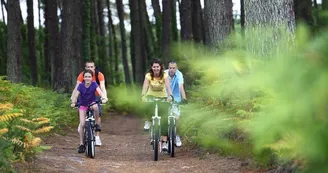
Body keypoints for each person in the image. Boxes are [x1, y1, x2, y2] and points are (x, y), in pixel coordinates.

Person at [71, 61, 108, 146]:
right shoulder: (82, 75)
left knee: (97, 112)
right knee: (82, 109)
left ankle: (97, 136)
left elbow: (102, 87)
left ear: (94, 67)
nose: (90, 68)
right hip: (84, 97)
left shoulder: (99, 75)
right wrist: (73, 99)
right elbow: (77, 87)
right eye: (88, 67)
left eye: (92, 67)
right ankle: (82, 124)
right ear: (85, 68)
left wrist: (104, 97)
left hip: (96, 96)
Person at [141, 58, 173, 151]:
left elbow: (168, 87)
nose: (156, 69)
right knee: (147, 106)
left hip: (162, 97)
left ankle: (164, 142)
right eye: (154, 67)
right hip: (151, 96)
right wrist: (143, 96)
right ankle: (148, 121)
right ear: (151, 67)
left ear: (160, 67)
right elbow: (145, 86)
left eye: (157, 67)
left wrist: (170, 96)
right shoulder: (148, 75)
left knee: (164, 119)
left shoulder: (165, 75)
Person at [164, 60, 187, 147]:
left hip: (176, 97)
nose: (172, 70)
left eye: (173, 68)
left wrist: (184, 99)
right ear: (168, 67)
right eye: (170, 68)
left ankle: (177, 136)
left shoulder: (179, 74)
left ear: (176, 68)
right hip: (165, 97)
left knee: (177, 118)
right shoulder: (164, 73)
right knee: (165, 119)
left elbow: (181, 87)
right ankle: (165, 140)